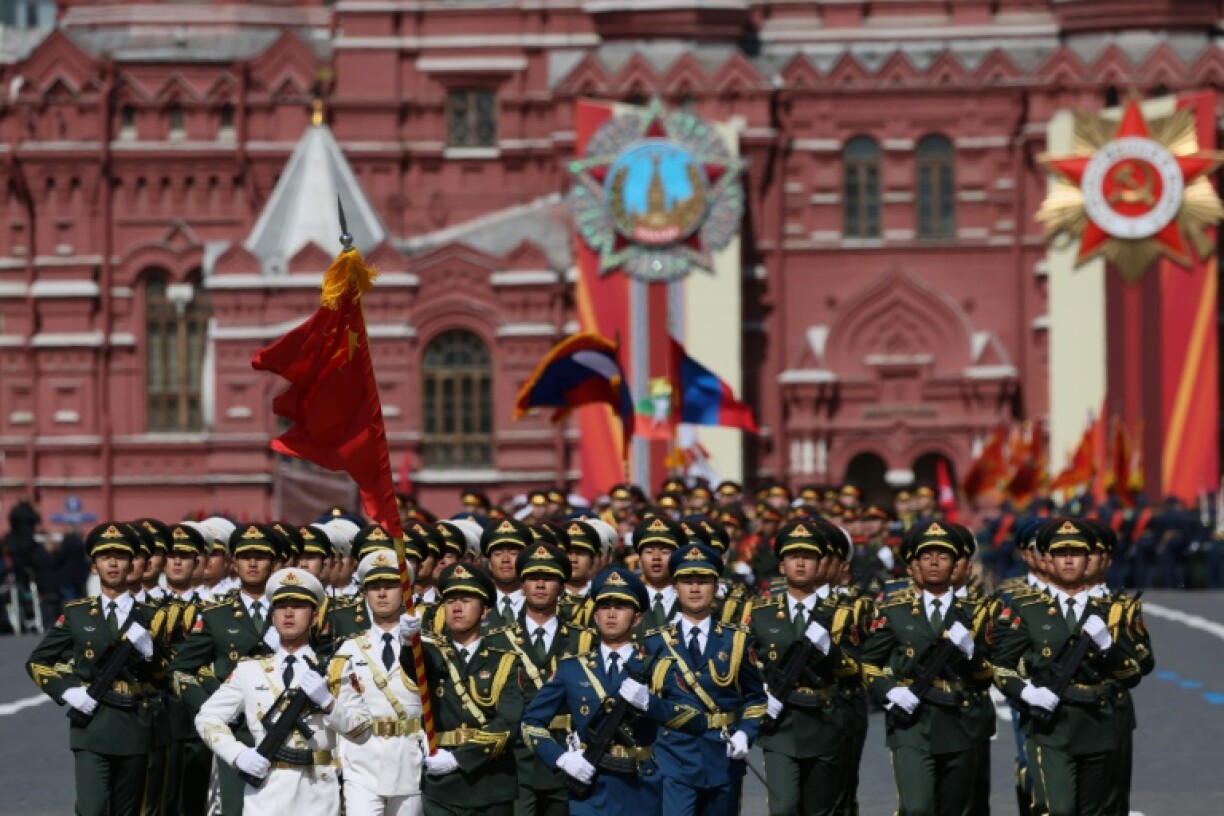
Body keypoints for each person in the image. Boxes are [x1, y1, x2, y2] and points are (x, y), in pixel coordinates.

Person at [992, 518, 1154, 816]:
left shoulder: (1115, 609)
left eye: (1077, 554)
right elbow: (1001, 667)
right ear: (1048, 560)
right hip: (1050, 725)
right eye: (1060, 553)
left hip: (1100, 723)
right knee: (1059, 808)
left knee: (1098, 809)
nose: (1068, 560)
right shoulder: (1025, 608)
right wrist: (1028, 694)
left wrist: (1109, 648)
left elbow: (1135, 672)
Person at [522, 565, 707, 816]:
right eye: (604, 607)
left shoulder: (657, 667)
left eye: (620, 607)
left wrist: (650, 703)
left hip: (641, 785)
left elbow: (697, 720)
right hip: (588, 784)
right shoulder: (572, 668)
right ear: (595, 616)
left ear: (637, 618)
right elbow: (531, 722)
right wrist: (562, 759)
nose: (611, 614)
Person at [196, 567, 371, 816]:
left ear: (313, 618)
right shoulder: (250, 670)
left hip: (318, 793)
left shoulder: (335, 669)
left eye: (299, 606)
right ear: (272, 616)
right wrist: (239, 755)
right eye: (281, 606)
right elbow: (207, 717)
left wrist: (329, 703)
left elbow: (362, 731)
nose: (289, 613)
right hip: (265, 793)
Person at [26, 522, 165, 816]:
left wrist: (151, 655)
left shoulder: (154, 615)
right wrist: (67, 691)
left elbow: (170, 674)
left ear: (131, 564)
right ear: (93, 567)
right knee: (92, 808)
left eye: (120, 556)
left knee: (127, 812)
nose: (113, 563)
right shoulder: (77, 614)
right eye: (105, 557)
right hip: (91, 725)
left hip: (135, 725)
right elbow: (38, 661)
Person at [859, 519, 993, 816]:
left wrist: (971, 654)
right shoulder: (894, 612)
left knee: (955, 809)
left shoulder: (976, 612)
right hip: (912, 723)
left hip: (959, 720)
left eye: (943, 556)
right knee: (917, 807)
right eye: (926, 557)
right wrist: (890, 690)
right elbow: (868, 662)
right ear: (913, 567)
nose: (934, 562)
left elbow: (987, 677)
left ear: (956, 565)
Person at [643, 543, 767, 816]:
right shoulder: (655, 641)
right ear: (675, 586)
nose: (695, 589)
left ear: (716, 586)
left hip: (722, 753)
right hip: (673, 753)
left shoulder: (737, 639)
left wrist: (746, 732)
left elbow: (755, 697)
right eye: (687, 582)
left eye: (703, 581)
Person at [748, 520, 861, 816]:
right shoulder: (761, 614)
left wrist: (830, 650)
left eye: (808, 557)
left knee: (820, 810)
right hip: (780, 724)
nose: (800, 563)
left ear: (820, 564)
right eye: (793, 556)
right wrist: (759, 693)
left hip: (824, 721)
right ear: (782, 565)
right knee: (783, 808)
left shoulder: (840, 613)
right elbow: (746, 663)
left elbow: (855, 671)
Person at [171, 522, 283, 815]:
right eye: (246, 556)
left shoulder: (294, 609)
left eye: (261, 556)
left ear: (275, 562)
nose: (254, 563)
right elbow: (181, 669)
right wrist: (214, 709)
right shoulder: (216, 616)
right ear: (234, 562)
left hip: (286, 729)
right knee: (233, 808)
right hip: (238, 733)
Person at [485, 541, 596, 816]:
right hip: (516, 757)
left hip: (568, 753)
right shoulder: (498, 639)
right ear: (522, 585)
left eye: (549, 578)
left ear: (561, 585)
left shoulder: (584, 639)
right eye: (533, 578)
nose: (540, 585)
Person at [418, 561, 525, 816]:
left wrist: (458, 759)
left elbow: (508, 722)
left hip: (490, 780)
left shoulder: (506, 661)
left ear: (485, 611)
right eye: (450, 600)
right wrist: (406, 641)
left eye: (466, 600)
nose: (456, 607)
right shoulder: (432, 654)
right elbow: (413, 665)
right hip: (441, 785)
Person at [331, 549, 427, 816]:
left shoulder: (426, 646)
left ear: (405, 592)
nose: (382, 594)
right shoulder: (348, 649)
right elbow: (340, 709)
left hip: (409, 759)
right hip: (362, 761)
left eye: (391, 586)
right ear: (365, 593)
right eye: (374, 588)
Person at [633, 515, 688, 632]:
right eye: (649, 551)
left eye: (665, 551)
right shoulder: (630, 601)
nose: (656, 557)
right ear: (639, 560)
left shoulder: (690, 600)